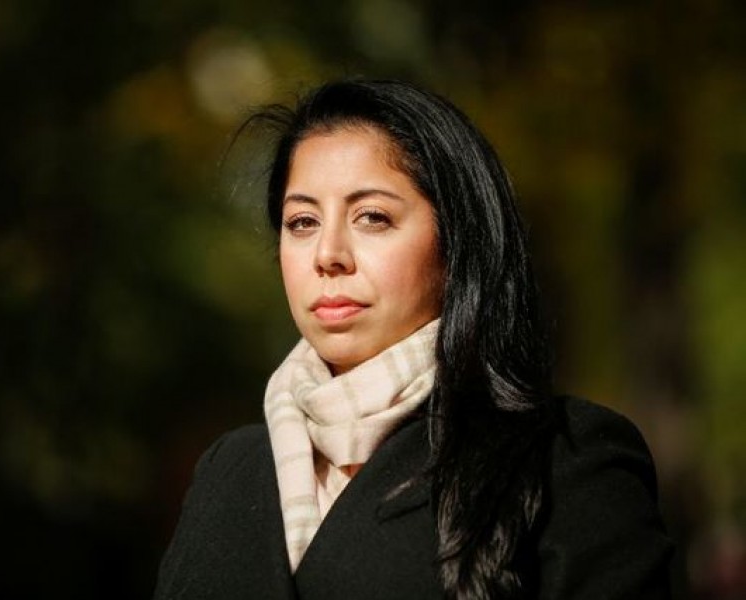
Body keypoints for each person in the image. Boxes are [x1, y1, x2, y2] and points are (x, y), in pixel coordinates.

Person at [153, 79, 673, 599]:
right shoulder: (230, 473)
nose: (327, 254)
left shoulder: (567, 459)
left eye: (372, 217)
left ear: (457, 244)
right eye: (302, 221)